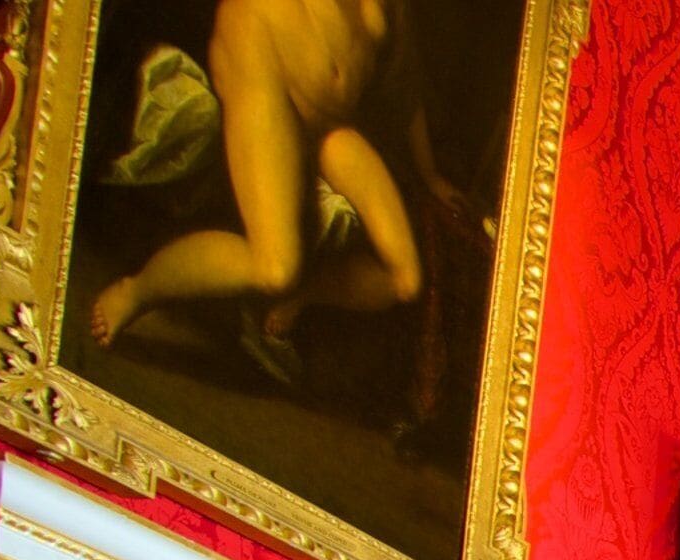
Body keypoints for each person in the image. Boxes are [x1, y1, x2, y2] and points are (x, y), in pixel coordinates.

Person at [89, 0, 466, 365]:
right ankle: (135, 291)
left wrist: (429, 174)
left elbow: (404, 87)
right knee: (275, 268)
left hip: (332, 122)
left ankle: (303, 292)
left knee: (405, 280)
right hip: (264, 70)